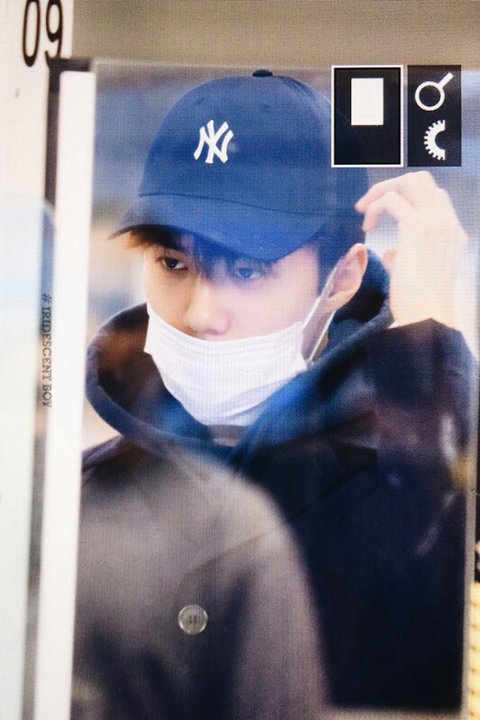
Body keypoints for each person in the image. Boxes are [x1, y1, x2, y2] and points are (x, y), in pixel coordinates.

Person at [77, 70, 474, 712]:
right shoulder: (86, 493)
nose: (202, 312)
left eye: (247, 269)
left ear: (341, 278)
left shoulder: (406, 486)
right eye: (173, 264)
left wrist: (431, 353)